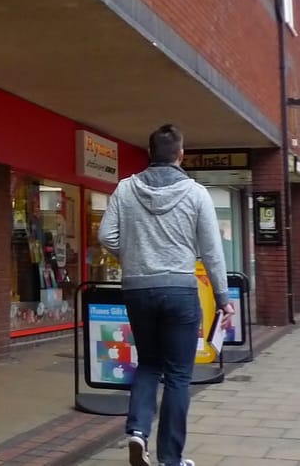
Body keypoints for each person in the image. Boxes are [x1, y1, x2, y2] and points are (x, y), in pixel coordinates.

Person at [98, 125, 233, 466]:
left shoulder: (125, 189)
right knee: (177, 375)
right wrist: (222, 296)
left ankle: (137, 432)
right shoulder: (197, 193)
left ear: (149, 152)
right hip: (179, 290)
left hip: (138, 289)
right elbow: (212, 251)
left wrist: (132, 257)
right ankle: (170, 459)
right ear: (180, 154)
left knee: (149, 363)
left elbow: (106, 235)